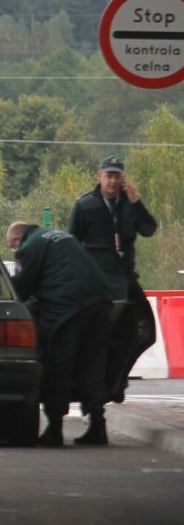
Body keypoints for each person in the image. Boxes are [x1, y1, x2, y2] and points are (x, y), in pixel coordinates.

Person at [6, 222, 113, 446]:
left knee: (58, 365)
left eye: (12, 246)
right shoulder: (60, 236)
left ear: (17, 239)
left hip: (68, 306)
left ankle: (54, 429)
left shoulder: (29, 247)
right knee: (93, 365)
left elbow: (22, 288)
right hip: (101, 302)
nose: (15, 250)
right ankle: (98, 426)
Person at [68, 154, 158, 402]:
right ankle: (93, 387)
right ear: (99, 176)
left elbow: (149, 229)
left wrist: (136, 202)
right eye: (108, 175)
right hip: (94, 285)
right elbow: (72, 244)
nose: (112, 181)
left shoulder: (129, 204)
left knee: (138, 334)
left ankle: (117, 380)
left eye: (117, 176)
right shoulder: (85, 206)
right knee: (95, 340)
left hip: (124, 283)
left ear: (122, 179)